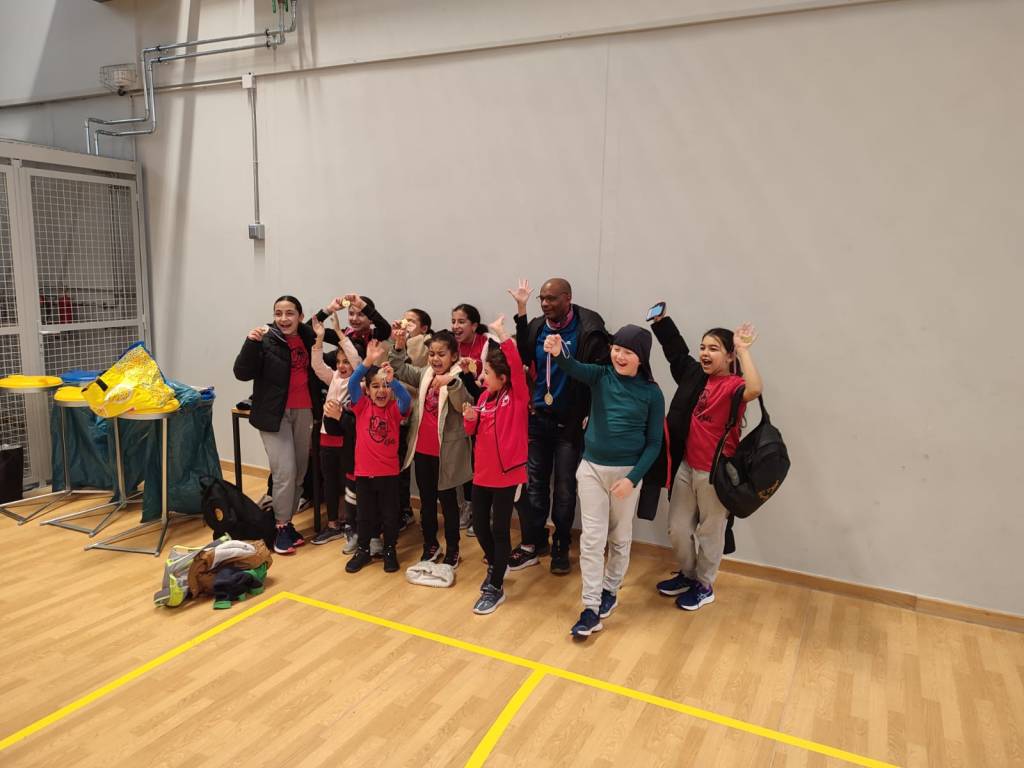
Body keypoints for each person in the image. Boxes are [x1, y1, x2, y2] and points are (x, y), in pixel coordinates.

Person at [545, 324, 665, 639]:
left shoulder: (652, 393)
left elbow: (654, 443)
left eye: (628, 352)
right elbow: (573, 367)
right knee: (592, 539)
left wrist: (633, 479)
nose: (619, 356)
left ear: (641, 358)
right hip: (592, 470)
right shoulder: (601, 375)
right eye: (617, 349)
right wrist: (558, 352)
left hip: (627, 474)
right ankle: (590, 607)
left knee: (620, 537)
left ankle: (610, 589)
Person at [652, 322, 762, 610]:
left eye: (714, 348)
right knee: (677, 528)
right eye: (702, 347)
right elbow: (677, 354)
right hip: (687, 467)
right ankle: (689, 576)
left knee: (710, 532)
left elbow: (755, 389)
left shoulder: (733, 385)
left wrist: (743, 350)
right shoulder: (698, 379)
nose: (705, 353)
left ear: (728, 357)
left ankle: (704, 585)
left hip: (714, 473)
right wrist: (661, 322)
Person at [508, 278, 609, 575]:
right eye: (542, 298)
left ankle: (561, 544)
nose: (545, 303)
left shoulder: (586, 329)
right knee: (535, 486)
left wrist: (589, 412)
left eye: (551, 298)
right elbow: (524, 356)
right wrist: (522, 311)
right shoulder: (538, 326)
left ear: (568, 298)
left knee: (565, 489)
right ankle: (535, 541)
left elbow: (598, 373)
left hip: (570, 422)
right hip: (539, 418)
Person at [233, 295, 322, 555]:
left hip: (304, 410)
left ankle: (286, 522)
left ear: (300, 317)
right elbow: (241, 372)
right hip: (274, 414)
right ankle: (281, 526)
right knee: (285, 471)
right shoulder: (265, 338)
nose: (284, 318)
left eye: (290, 313)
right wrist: (250, 343)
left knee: (300, 472)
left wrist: (331, 310)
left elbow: (321, 328)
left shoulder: (306, 336)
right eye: (278, 313)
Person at [390, 327, 474, 567]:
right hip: (422, 451)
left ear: (454, 356)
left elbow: (463, 404)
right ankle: (430, 545)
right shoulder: (425, 374)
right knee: (427, 503)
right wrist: (399, 346)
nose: (435, 359)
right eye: (432, 354)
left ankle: (453, 549)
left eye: (441, 354)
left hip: (446, 454)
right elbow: (399, 368)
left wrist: (452, 383)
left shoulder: (460, 377)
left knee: (448, 504)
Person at [461, 315, 528, 615]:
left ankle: (495, 586)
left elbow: (515, 364)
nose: (482, 377)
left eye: (487, 372)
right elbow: (472, 431)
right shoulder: (484, 399)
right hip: (482, 475)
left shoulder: (516, 396)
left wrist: (503, 336)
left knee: (500, 530)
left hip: (507, 476)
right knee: (479, 526)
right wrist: (469, 419)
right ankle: (497, 562)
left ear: (503, 377)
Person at [344, 341, 412, 574]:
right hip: (364, 474)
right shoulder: (361, 406)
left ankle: (390, 549)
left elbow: (406, 401)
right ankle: (363, 549)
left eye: (385, 386)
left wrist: (394, 381)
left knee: (390, 516)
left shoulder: (394, 409)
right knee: (364, 516)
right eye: (375, 386)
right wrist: (367, 362)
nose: (381, 391)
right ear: (367, 390)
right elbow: (353, 382)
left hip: (389, 475)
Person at [309, 317, 361, 546]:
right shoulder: (333, 378)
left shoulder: (357, 382)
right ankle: (332, 525)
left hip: (345, 439)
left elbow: (357, 361)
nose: (341, 366)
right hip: (326, 438)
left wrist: (340, 333)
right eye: (339, 361)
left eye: (345, 362)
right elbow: (317, 365)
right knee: (329, 482)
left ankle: (350, 523)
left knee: (347, 483)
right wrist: (320, 339)